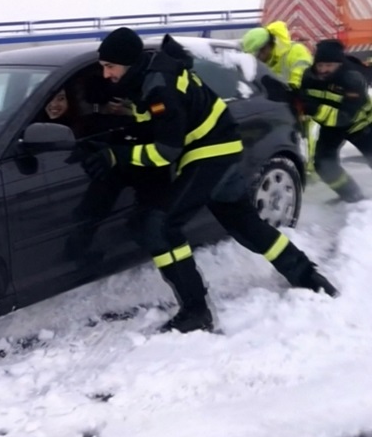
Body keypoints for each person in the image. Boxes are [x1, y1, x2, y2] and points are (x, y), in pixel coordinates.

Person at [76, 27, 339, 334]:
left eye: (110, 67)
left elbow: (165, 150)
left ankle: (195, 311)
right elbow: (161, 125)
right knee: (245, 225)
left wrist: (115, 156)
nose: (106, 74)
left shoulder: (158, 87)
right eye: (104, 67)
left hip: (209, 154)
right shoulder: (151, 76)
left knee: (159, 226)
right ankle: (308, 276)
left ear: (128, 63)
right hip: (222, 150)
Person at [299, 39, 372, 203]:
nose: (324, 70)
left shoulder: (352, 78)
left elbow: (344, 118)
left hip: (362, 125)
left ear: (339, 64)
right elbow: (303, 98)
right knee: (323, 164)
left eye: (329, 66)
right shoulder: (308, 76)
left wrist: (314, 109)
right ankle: (352, 196)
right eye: (320, 65)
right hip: (330, 127)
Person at [241, 21, 316, 173]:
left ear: (267, 46)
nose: (258, 58)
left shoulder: (296, 52)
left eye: (258, 54)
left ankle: (309, 172)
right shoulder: (267, 59)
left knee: (307, 139)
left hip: (304, 103)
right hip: (284, 104)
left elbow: (301, 81)